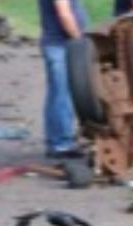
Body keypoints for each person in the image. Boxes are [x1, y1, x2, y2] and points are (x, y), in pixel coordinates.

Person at [39, 0, 89, 159]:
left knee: (58, 94)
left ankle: (58, 140)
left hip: (60, 44)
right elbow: (64, 14)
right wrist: (80, 40)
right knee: (62, 95)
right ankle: (61, 143)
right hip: (60, 45)